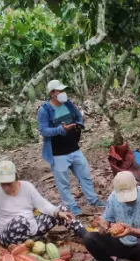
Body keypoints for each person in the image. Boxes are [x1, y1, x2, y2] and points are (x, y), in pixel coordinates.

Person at [0, 160, 84, 254]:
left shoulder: (27, 187)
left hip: (31, 229)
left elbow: (42, 205)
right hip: (8, 235)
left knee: (62, 210)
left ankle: (85, 234)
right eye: (3, 184)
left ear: (16, 178)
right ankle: (22, 251)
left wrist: (57, 213)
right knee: (20, 222)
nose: (6, 187)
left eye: (9, 183)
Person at [37, 79, 105, 215]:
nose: (63, 93)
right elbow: (43, 130)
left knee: (85, 176)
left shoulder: (68, 103)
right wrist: (60, 129)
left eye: (63, 90)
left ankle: (93, 200)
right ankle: (71, 206)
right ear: (52, 93)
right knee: (63, 183)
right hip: (58, 153)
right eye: (60, 91)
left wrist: (79, 124)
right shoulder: (45, 110)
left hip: (74, 148)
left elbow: (78, 116)